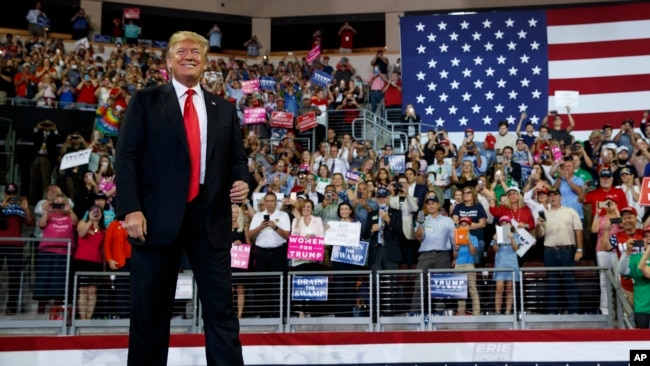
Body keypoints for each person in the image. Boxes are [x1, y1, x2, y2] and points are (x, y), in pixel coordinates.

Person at [115, 31, 247, 366]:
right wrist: (131, 208)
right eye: (182, 51)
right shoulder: (145, 101)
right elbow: (127, 158)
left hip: (209, 217)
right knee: (150, 311)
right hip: (156, 217)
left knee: (221, 311)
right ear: (169, 60)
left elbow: (237, 160)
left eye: (197, 52)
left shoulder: (224, 108)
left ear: (205, 62)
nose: (189, 56)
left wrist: (241, 182)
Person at [537, 188, 583, 315]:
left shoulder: (570, 211)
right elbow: (539, 235)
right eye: (550, 195)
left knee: (570, 281)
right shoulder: (544, 214)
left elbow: (578, 230)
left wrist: (579, 249)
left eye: (555, 195)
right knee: (552, 282)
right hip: (550, 250)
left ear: (560, 197)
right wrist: (538, 225)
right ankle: (552, 312)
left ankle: (574, 312)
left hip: (567, 249)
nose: (553, 197)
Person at [0, 184, 35, 315]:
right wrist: (3, 205)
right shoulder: (1, 205)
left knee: (14, 276)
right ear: (5, 194)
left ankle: (11, 306)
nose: (11, 197)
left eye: (13, 194)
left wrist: (26, 209)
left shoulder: (20, 208)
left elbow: (31, 223)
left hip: (15, 245)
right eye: (9, 194)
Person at [73, 204, 106, 320]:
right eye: (93, 211)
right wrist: (90, 221)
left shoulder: (103, 230)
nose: (96, 214)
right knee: (83, 290)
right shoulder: (83, 222)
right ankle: (83, 318)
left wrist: (104, 267)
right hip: (82, 260)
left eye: (99, 212)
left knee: (92, 290)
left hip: (96, 261)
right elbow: (81, 234)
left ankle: (89, 318)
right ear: (89, 212)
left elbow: (103, 249)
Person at [617, 228, 650, 329]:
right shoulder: (635, 258)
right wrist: (627, 252)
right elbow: (621, 270)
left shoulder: (640, 259)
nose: (648, 239)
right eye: (646, 236)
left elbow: (644, 270)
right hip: (642, 306)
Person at [491, 215, 521, 315]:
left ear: (510, 225)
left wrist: (511, 238)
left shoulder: (515, 235)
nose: (504, 225)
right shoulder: (497, 235)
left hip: (512, 264)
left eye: (506, 223)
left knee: (509, 288)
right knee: (499, 288)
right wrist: (495, 240)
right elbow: (495, 249)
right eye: (502, 223)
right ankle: (497, 311)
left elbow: (515, 249)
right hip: (500, 264)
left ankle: (508, 311)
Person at [454, 217, 480, 316]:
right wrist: (456, 249)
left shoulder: (474, 238)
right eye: (462, 224)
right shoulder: (456, 237)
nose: (464, 226)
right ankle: (460, 313)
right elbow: (454, 256)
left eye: (466, 225)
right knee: (460, 292)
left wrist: (469, 242)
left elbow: (473, 253)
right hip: (458, 265)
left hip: (469, 265)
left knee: (472, 290)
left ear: (469, 226)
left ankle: (476, 313)